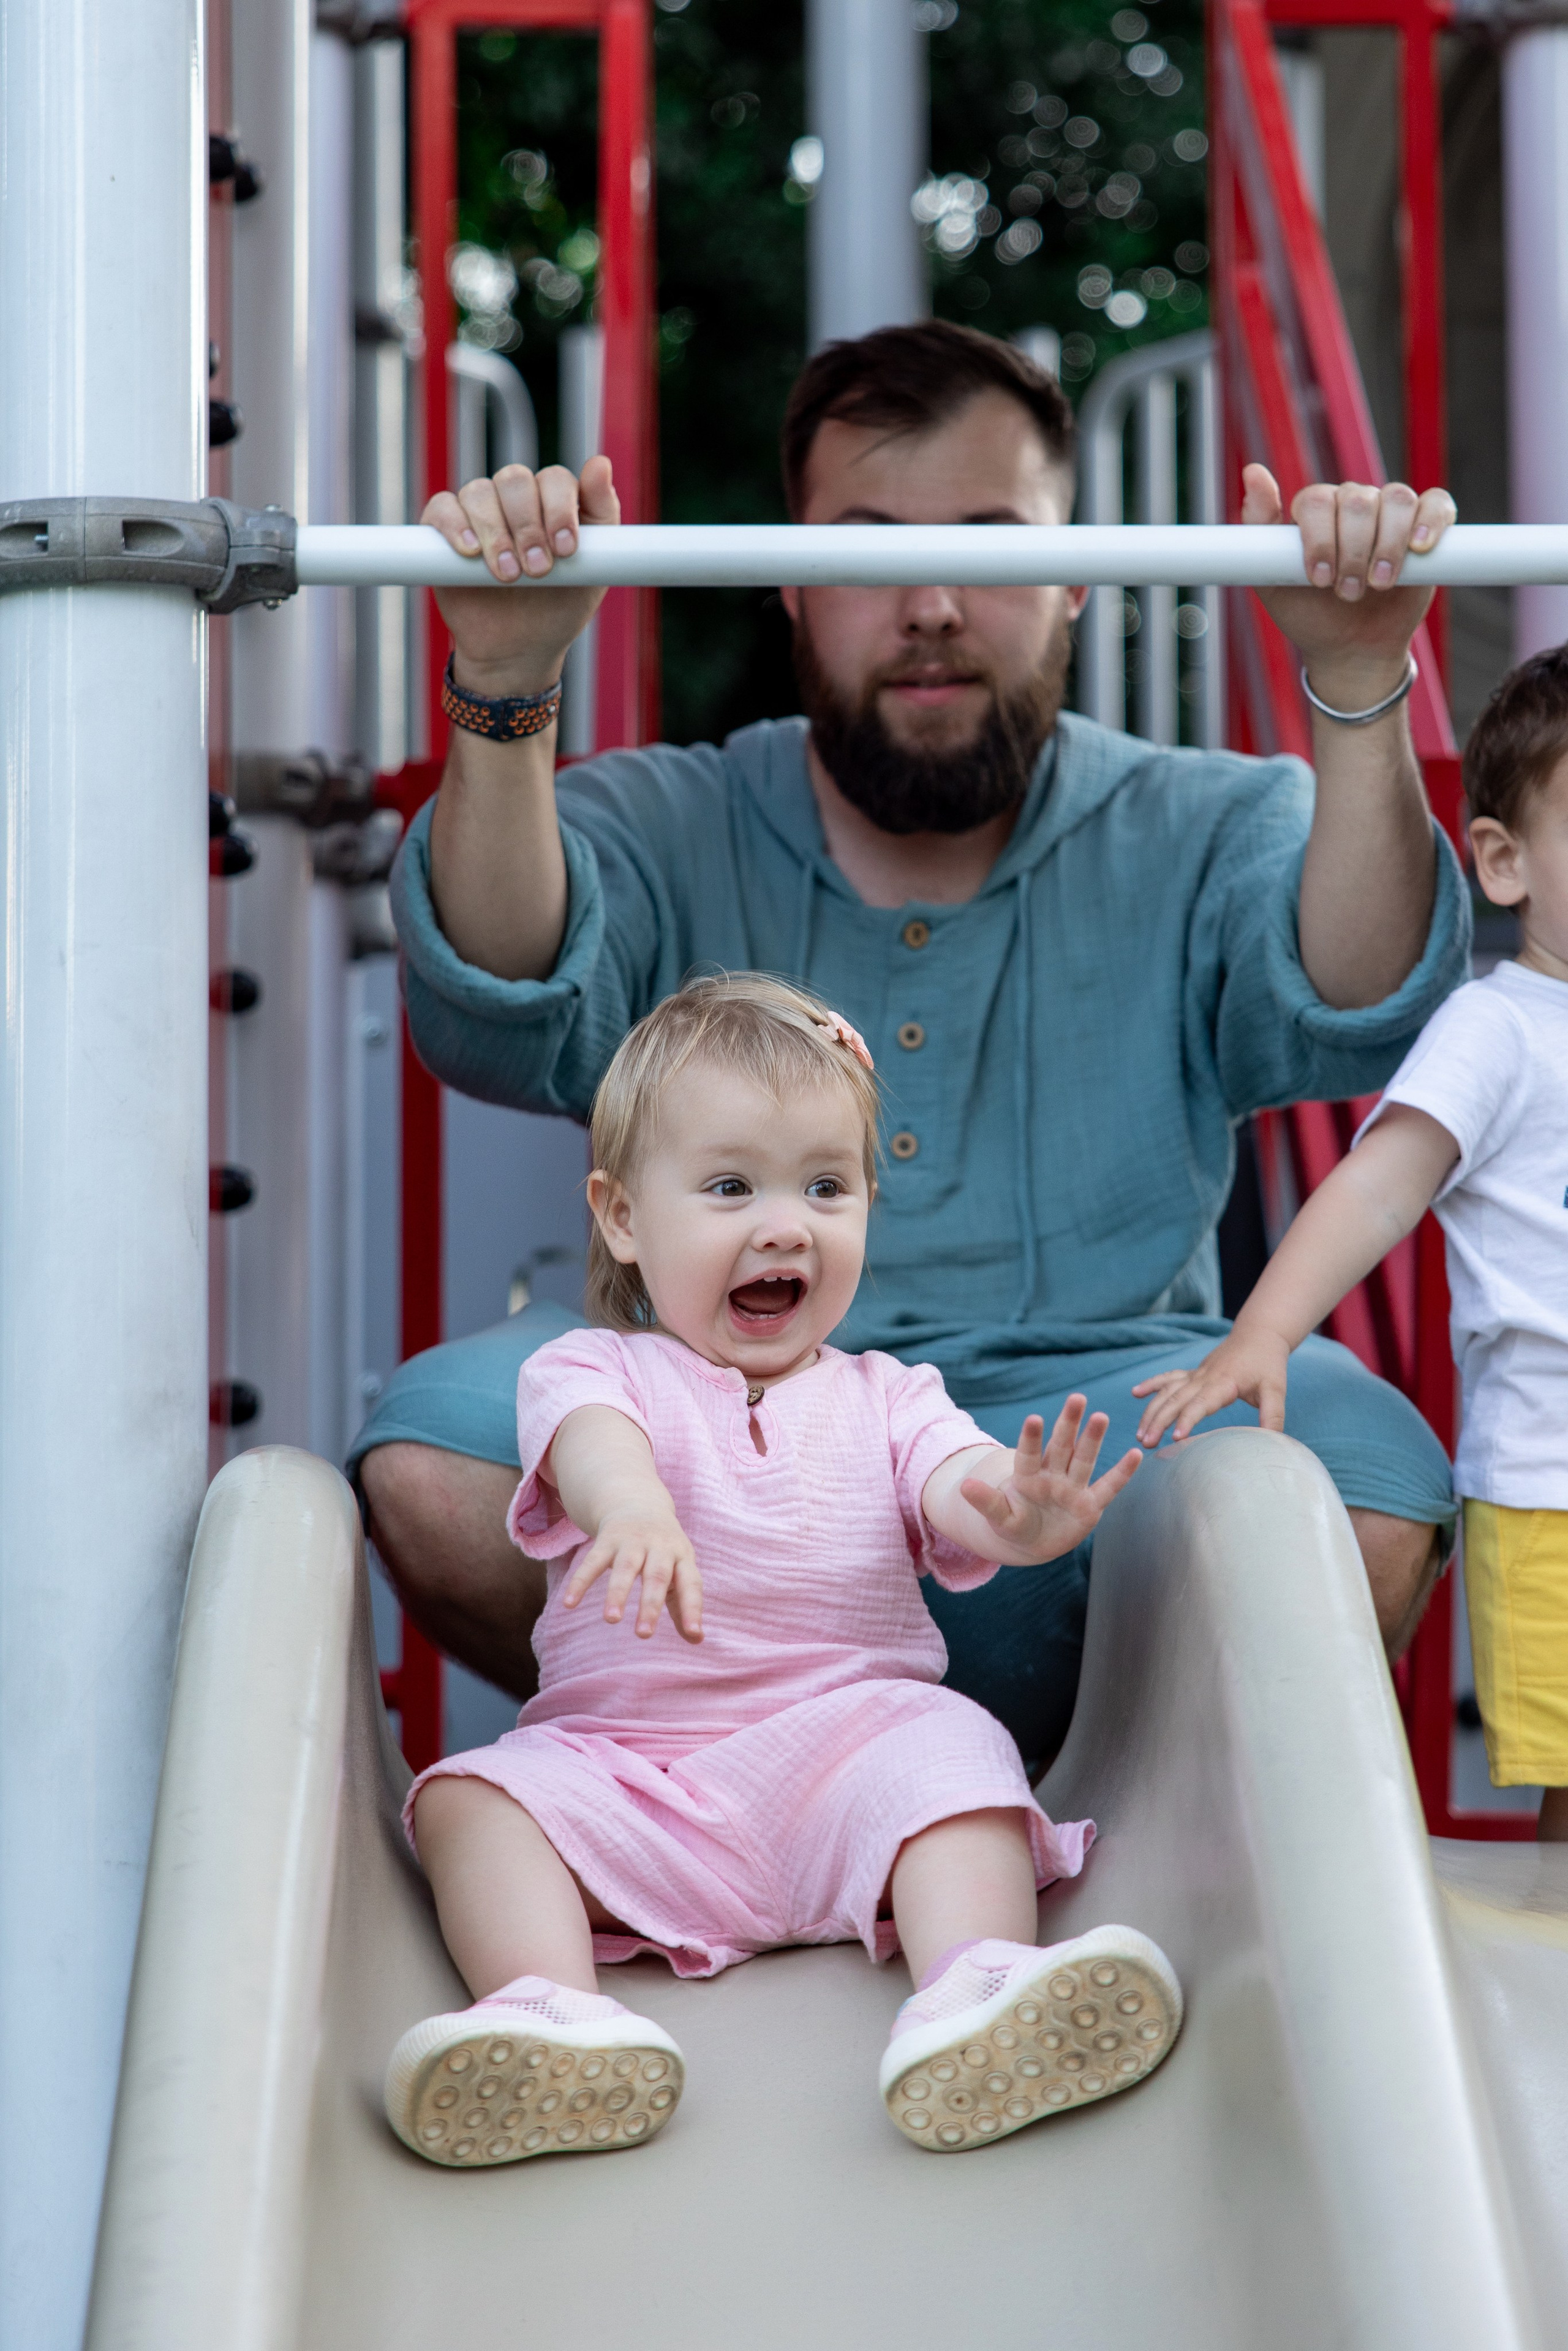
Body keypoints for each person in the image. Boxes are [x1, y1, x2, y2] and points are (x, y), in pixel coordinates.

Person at [354, 320, 1471, 1771]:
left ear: (1074, 573)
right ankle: (696, 1758)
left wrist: (1360, 676)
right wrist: (505, 684)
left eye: (988, 547)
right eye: (868, 550)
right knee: (439, 1462)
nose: (931, 604)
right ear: (790, 581)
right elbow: (494, 1004)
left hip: (1107, 1397)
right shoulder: (659, 815)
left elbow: (1364, 997)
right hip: (704, 1390)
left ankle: (1119, 1814)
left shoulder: (1205, 819)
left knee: (1364, 1492)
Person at [384, 975, 1182, 2168]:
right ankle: (548, 2011)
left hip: (847, 1776)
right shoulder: (594, 1369)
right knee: (470, 1800)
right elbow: (593, 1443)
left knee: (955, 1752)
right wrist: (630, 1503)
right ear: (620, 1216)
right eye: (729, 1188)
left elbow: (955, 1479)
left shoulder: (888, 1395)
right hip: (640, 1787)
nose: (785, 1225)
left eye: (825, 1186)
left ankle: (976, 1983)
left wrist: (1019, 1512)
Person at [1134, 647, 1568, 1840]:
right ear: (1504, 862)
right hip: (1553, 1483)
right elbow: (1378, 1189)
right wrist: (1266, 1330)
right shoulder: (1501, 1030)